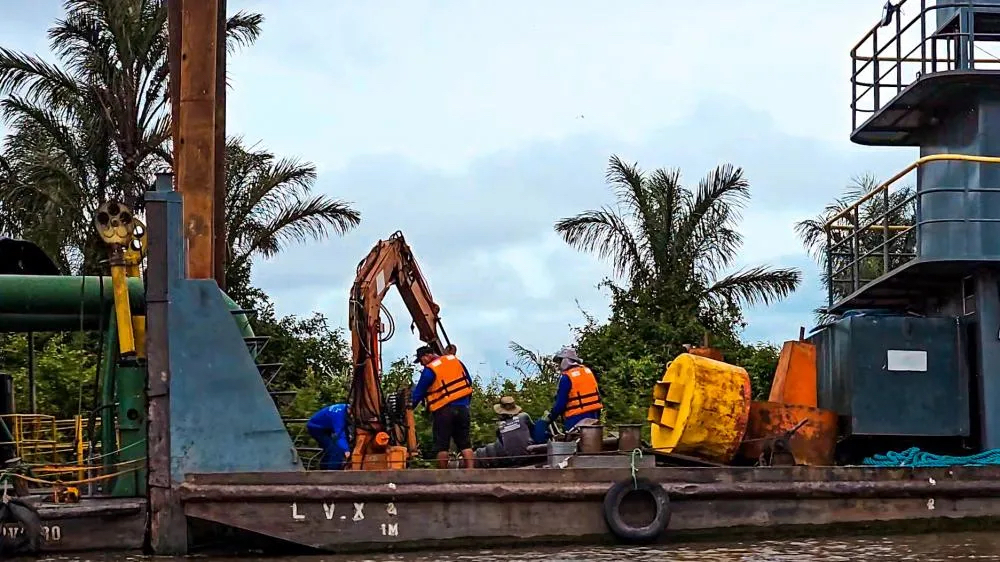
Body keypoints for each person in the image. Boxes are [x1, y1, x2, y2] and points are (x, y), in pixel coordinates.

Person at [410, 345, 475, 469]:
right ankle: (471, 471)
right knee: (465, 443)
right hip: (462, 409)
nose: (422, 364)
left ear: (427, 356)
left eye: (421, 361)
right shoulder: (455, 361)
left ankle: (443, 474)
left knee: (442, 445)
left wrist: (409, 408)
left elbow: (418, 392)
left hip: (443, 411)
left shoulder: (430, 370)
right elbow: (468, 381)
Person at [541, 346, 603, 431]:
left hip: (576, 419)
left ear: (565, 360)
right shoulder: (588, 371)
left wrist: (551, 416)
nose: (559, 365)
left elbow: (560, 404)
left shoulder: (566, 378)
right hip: (594, 416)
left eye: (560, 361)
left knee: (573, 442)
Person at [474, 396, 534, 468]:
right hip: (529, 453)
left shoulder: (499, 426)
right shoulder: (524, 416)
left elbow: (502, 443)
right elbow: (533, 429)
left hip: (511, 459)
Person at [306, 403, 352, 470]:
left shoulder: (345, 407)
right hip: (316, 429)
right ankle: (331, 475)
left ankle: (323, 469)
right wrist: (346, 450)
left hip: (326, 427)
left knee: (330, 449)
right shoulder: (339, 415)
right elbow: (340, 435)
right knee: (336, 450)